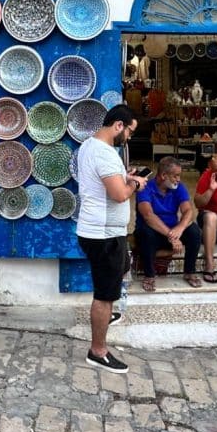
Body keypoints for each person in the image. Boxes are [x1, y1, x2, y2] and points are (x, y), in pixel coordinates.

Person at [76, 104, 147, 374]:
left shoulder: (89, 145)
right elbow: (118, 195)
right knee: (104, 295)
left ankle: (105, 317)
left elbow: (105, 182)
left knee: (121, 269)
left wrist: (124, 177)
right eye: (129, 131)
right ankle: (98, 351)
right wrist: (135, 184)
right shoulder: (105, 154)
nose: (128, 137)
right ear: (119, 125)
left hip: (100, 230)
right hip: (103, 234)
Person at [135, 156, 202, 291]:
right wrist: (172, 236)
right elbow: (148, 216)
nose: (178, 179)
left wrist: (179, 229)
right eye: (175, 176)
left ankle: (189, 272)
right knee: (146, 234)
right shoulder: (145, 187)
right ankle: (149, 275)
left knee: (194, 232)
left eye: (179, 176)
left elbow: (188, 210)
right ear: (164, 175)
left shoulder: (179, 187)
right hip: (153, 232)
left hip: (172, 231)